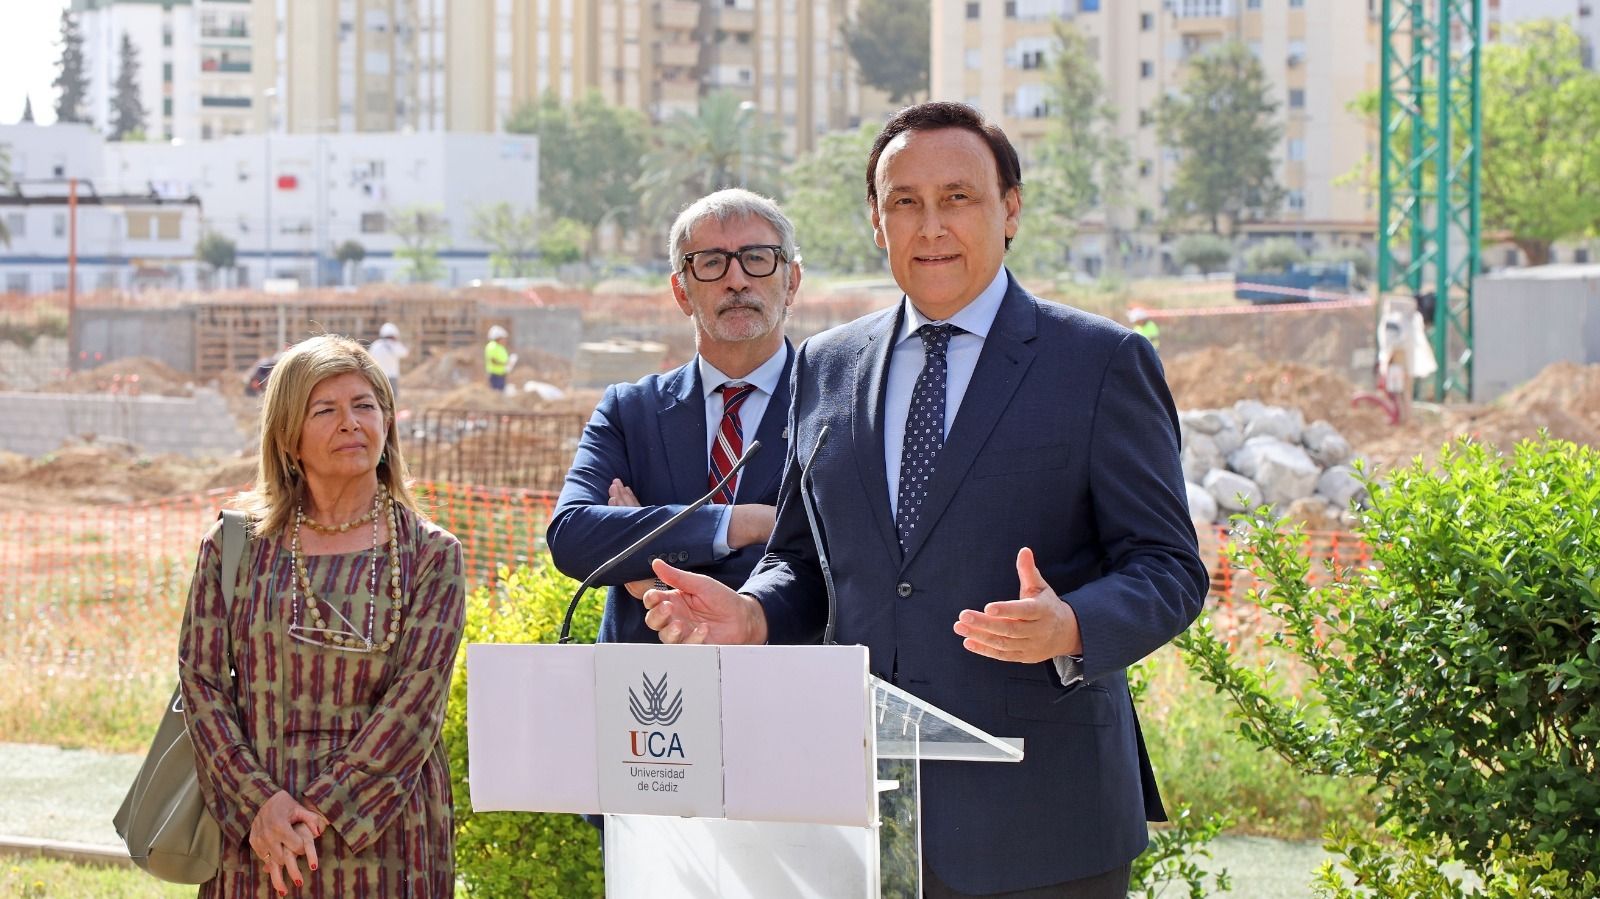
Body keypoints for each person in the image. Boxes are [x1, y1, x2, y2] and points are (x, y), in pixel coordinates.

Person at [642, 102, 1207, 898]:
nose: (930, 225)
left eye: (958, 198)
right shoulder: (826, 366)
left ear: (1010, 209)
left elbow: (1168, 567)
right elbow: (807, 557)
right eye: (904, 202)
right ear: (876, 221)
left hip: (1044, 821)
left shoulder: (1100, 362)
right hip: (857, 815)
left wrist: (1072, 623)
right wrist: (754, 613)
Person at [178, 333, 466, 897]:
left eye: (365, 406)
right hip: (257, 843)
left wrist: (317, 811)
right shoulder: (234, 547)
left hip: (389, 841)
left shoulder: (431, 554)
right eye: (325, 410)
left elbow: (415, 705)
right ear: (288, 436)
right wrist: (260, 806)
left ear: (387, 422)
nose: (351, 423)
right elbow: (202, 684)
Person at [546, 188, 800, 644]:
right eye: (711, 262)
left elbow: (835, 559)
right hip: (645, 700)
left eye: (757, 258)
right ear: (681, 291)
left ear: (792, 281)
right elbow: (573, 538)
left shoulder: (836, 407)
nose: (737, 280)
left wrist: (646, 571)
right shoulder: (631, 410)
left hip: (781, 685)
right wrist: (747, 523)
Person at [367, 321, 409, 398]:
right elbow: (405, 353)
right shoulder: (395, 345)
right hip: (392, 377)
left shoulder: (376, 345)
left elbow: (369, 359)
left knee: (380, 398)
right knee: (392, 398)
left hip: (379, 376)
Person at [484, 325, 511, 392]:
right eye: (503, 338)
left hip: (501, 374)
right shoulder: (492, 346)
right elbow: (493, 360)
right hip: (495, 375)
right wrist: (504, 364)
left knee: (500, 393)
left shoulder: (500, 347)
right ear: (498, 338)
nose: (504, 340)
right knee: (496, 393)